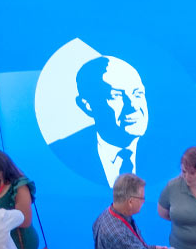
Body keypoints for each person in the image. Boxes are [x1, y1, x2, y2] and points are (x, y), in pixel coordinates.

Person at [52, 54, 148, 189]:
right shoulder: (66, 151)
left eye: (137, 94)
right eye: (117, 95)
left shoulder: (167, 150)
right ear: (87, 105)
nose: (133, 106)